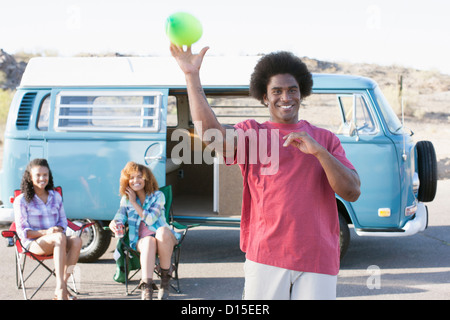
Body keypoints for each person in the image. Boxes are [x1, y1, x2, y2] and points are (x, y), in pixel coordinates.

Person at [170, 45, 361, 300]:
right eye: (277, 91)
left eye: (292, 90)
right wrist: (191, 76)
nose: (286, 97)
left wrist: (319, 153)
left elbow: (352, 191)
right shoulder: (252, 134)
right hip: (266, 257)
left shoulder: (325, 139)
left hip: (318, 258)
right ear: (264, 97)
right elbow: (211, 135)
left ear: (301, 93)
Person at [109, 161, 180, 300]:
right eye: (131, 177)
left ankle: (165, 282)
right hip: (142, 242)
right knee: (148, 241)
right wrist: (114, 222)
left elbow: (151, 219)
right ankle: (147, 288)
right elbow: (120, 216)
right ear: (126, 181)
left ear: (146, 178)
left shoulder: (158, 196)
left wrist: (135, 202)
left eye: (139, 176)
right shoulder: (126, 200)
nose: (135, 180)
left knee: (162, 232)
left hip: (165, 240)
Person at [13, 158, 82, 300]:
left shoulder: (55, 196)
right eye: (38, 175)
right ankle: (62, 290)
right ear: (30, 177)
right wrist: (47, 232)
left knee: (76, 241)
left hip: (58, 241)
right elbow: (23, 232)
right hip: (34, 243)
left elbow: (63, 221)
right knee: (59, 237)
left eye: (45, 175)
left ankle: (61, 285)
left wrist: (58, 228)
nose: (42, 178)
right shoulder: (22, 200)